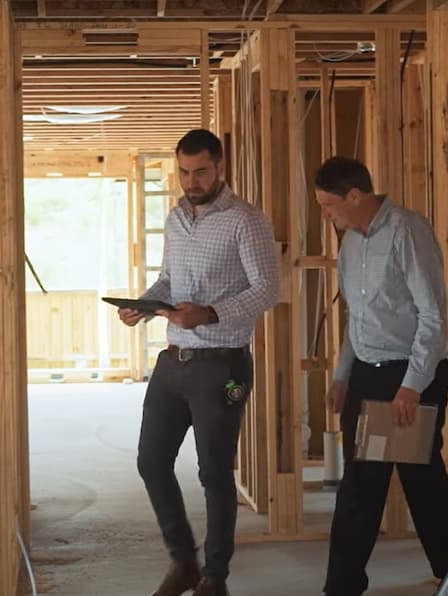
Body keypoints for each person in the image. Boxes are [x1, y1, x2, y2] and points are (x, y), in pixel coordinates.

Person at [117, 129, 279, 596]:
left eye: (201, 171)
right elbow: (169, 280)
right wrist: (143, 306)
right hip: (173, 363)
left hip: (220, 365)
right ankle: (183, 561)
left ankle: (215, 576)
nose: (191, 180)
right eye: (184, 172)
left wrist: (208, 313)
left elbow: (268, 289)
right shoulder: (175, 218)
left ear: (220, 166)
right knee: (151, 461)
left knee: (213, 472)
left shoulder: (245, 220)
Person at [314, 156, 448, 595]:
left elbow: (432, 316)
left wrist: (412, 386)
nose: (326, 215)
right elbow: (359, 317)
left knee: (423, 483)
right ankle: (342, 586)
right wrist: (341, 375)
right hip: (367, 378)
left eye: (329, 205)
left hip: (408, 377)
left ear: (355, 196)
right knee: (359, 487)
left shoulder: (407, 232)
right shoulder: (351, 242)